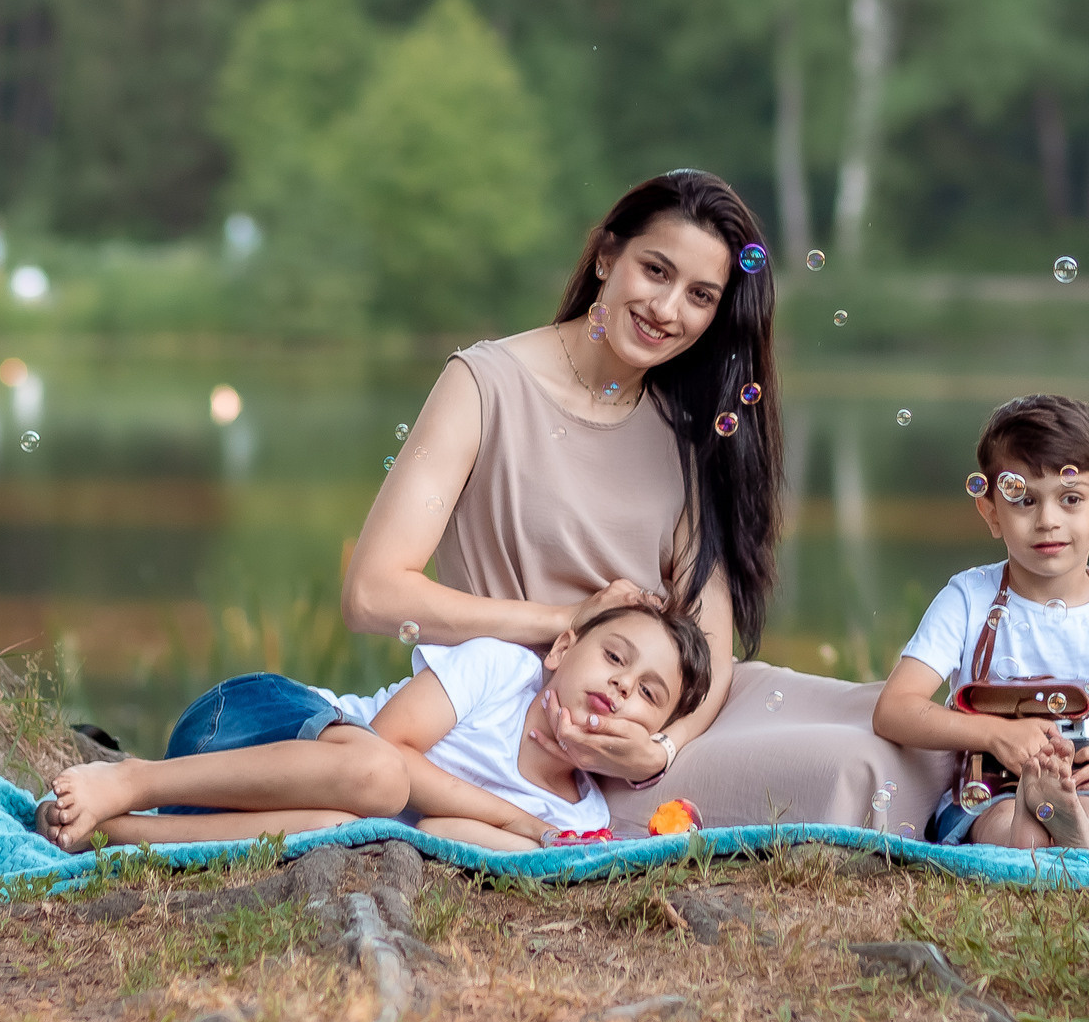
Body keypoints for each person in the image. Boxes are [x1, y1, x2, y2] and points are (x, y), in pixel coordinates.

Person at [335, 168, 952, 830]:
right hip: (561, 732)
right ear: (607, 256)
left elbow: (710, 646)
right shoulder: (485, 385)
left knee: (908, 729)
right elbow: (372, 594)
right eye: (655, 270)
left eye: (700, 295)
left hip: (666, 713)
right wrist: (561, 619)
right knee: (857, 763)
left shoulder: (684, 429)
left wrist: (662, 747)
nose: (667, 309)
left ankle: (1008, 807)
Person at [36, 604, 712, 853]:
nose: (623, 685)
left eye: (648, 693)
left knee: (350, 832)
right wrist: (517, 820)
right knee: (380, 778)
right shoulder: (505, 671)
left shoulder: (575, 813)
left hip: (251, 812)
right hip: (251, 724)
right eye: (615, 656)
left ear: (649, 732)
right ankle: (133, 777)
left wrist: (540, 838)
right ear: (562, 649)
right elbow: (388, 741)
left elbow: (441, 835)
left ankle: (120, 834)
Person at [872, 395, 1089, 850]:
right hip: (992, 787)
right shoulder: (969, 599)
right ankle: (1033, 821)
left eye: (1070, 499)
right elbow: (894, 709)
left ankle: (1078, 832)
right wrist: (995, 733)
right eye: (1023, 500)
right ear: (991, 513)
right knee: (1002, 823)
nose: (1047, 520)